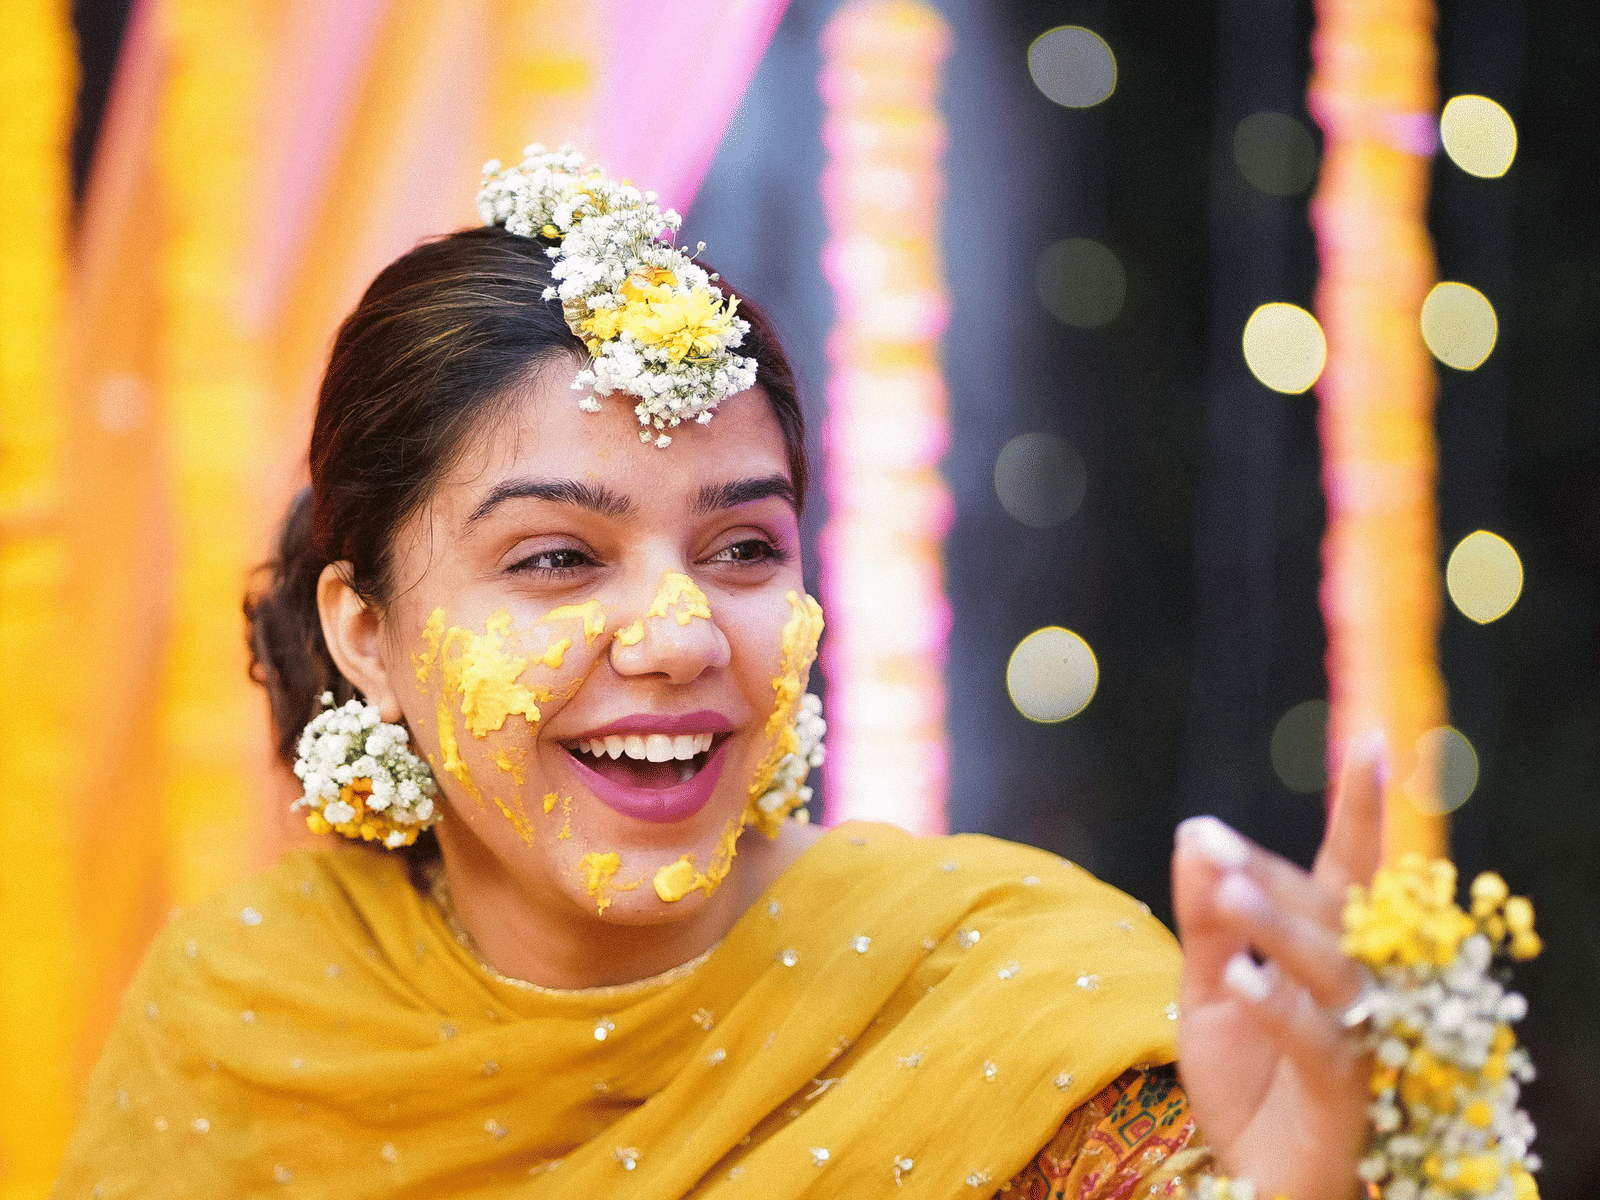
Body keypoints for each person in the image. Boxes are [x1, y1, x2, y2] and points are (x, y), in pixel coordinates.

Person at [57, 148, 1382, 1199]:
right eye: (559, 558)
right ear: (365, 632)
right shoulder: (243, 1018)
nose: (683, 635)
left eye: (743, 546)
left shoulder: (1001, 992)